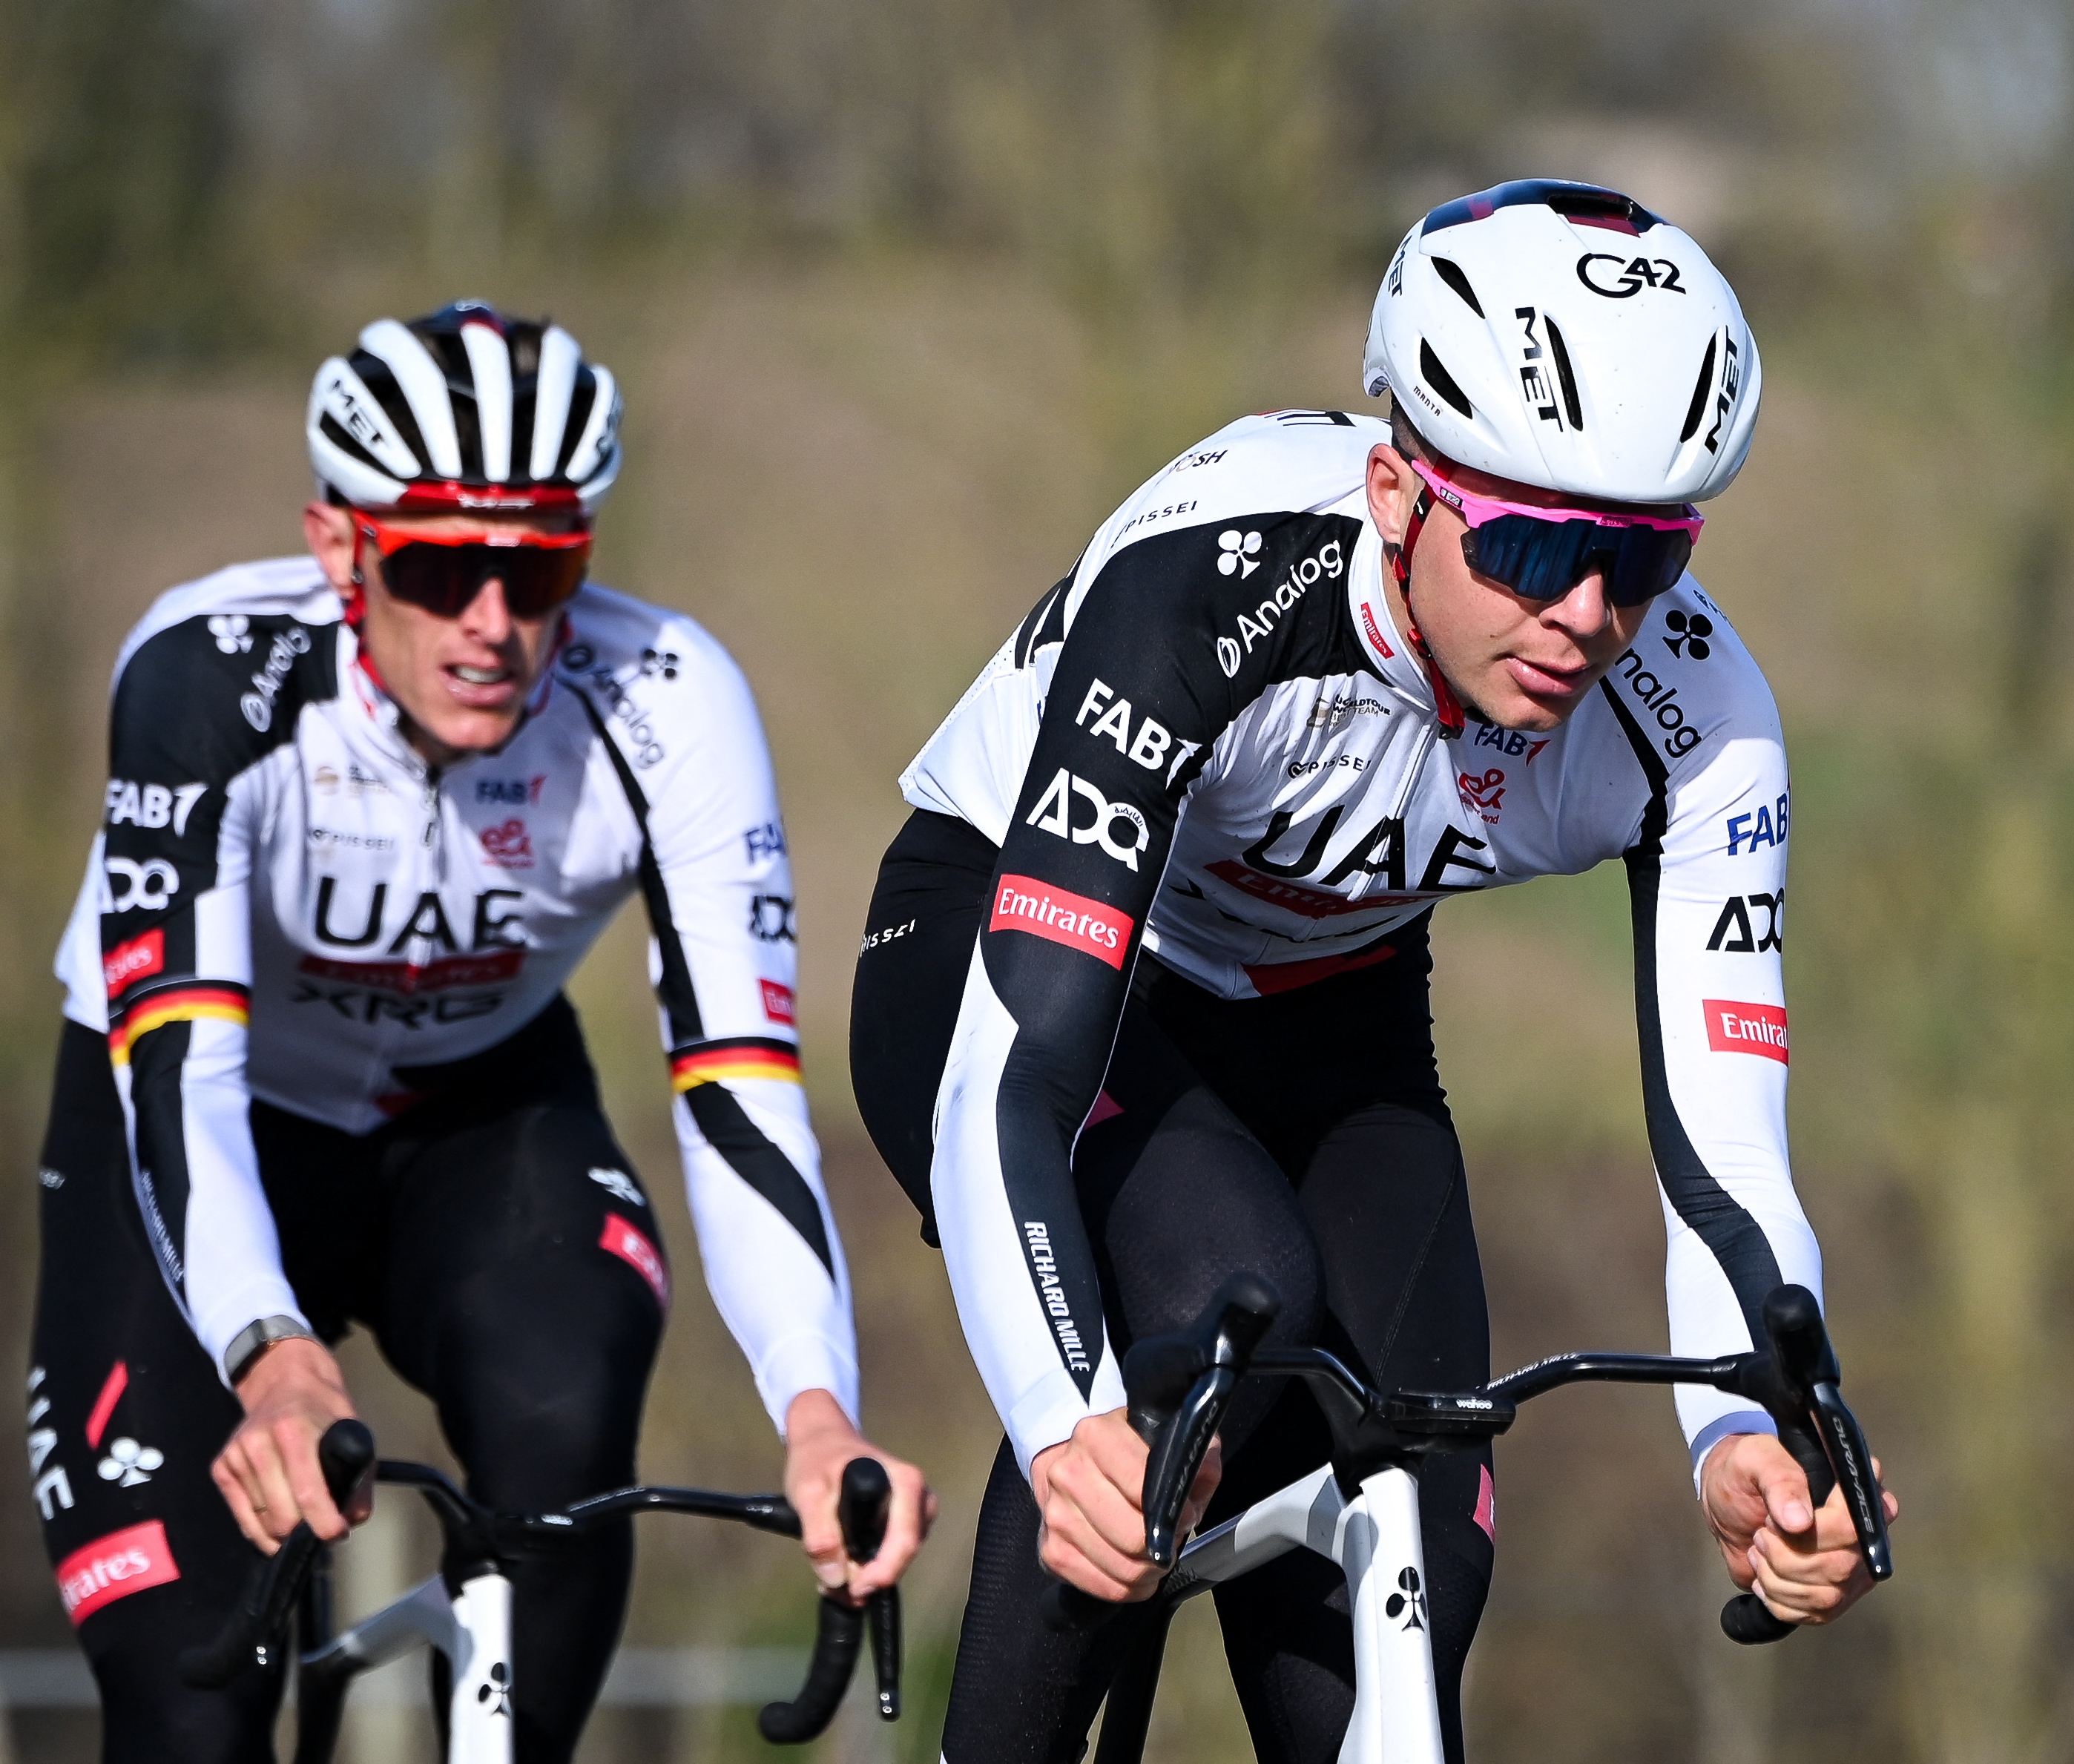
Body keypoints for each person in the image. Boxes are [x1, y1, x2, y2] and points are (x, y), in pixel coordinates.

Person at [851, 181, 1894, 1763]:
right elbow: (1020, 1075)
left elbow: (1722, 1142)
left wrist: (1743, 1420)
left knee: (1421, 1502)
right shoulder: (1206, 580)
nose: (1585, 616)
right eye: (1537, 543)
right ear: (1398, 485)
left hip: (1328, 1013)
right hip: (1017, 957)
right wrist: (1066, 1422)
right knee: (1201, 1324)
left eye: (1644, 558)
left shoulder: (1702, 723)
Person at [27, 301, 932, 1763]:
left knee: (564, 1417)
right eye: (442, 566)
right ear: (341, 548)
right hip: (209, 1124)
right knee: (184, 1698)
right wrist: (266, 1348)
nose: (494, 623)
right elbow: (182, 1072)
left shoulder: (669, 702)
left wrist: (817, 1410)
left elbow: (742, 1090)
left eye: (540, 566)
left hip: (478, 1114)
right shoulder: (205, 678)